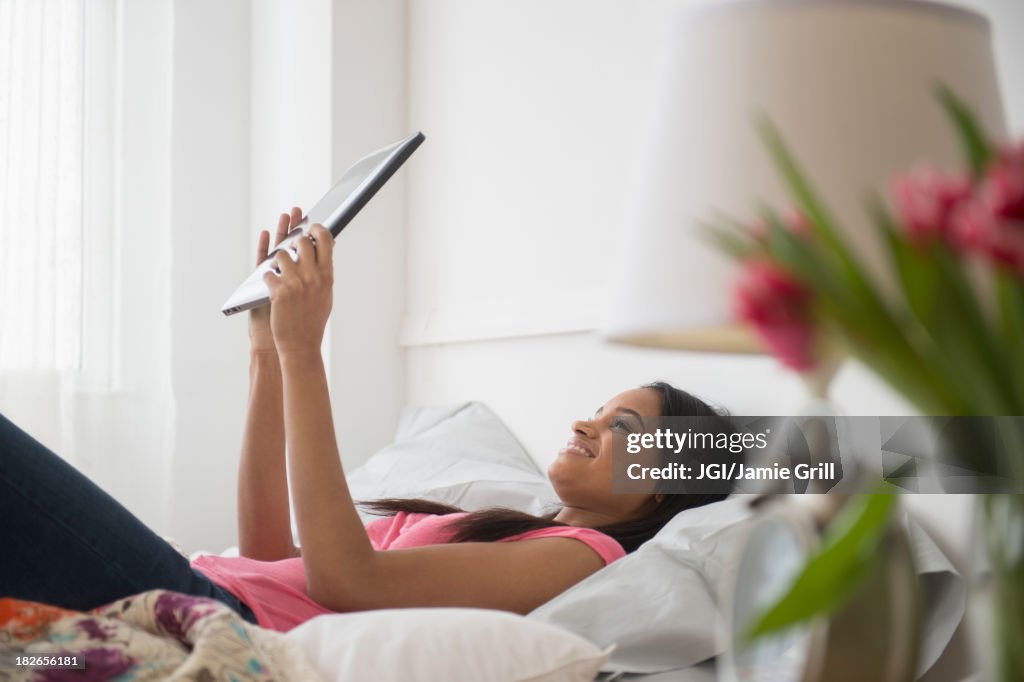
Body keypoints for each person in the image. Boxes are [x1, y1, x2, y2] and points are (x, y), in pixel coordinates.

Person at [0, 209, 733, 632]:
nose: (588, 422)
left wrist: (305, 348)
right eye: (603, 410)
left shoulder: (586, 555)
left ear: (666, 490)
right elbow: (267, 550)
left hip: (211, 614)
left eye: (626, 430)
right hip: (208, 585)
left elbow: (347, 580)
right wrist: (266, 353)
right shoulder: (516, 524)